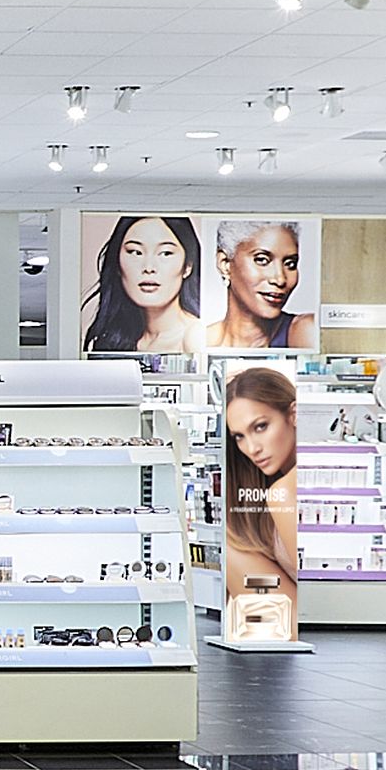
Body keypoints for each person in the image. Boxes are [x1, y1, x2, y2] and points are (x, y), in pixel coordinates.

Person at [222, 366, 298, 606]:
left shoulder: (284, 491)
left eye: (261, 426)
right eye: (239, 437)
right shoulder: (269, 494)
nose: (252, 448)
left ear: (294, 414)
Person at [81, 216, 205, 353]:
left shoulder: (196, 337)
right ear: (117, 264)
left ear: (188, 266)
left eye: (165, 253)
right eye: (135, 252)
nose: (149, 267)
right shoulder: (113, 340)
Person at [207, 220, 318, 349]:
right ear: (225, 264)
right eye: (262, 260)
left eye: (290, 264)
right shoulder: (200, 340)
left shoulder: (305, 330)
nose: (280, 279)